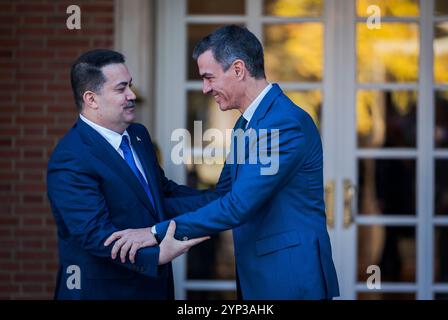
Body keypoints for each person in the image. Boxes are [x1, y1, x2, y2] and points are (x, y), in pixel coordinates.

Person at [106, 25, 340, 299]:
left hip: (289, 277)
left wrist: (155, 232)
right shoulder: (245, 125)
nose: (205, 88)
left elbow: (237, 206)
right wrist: (146, 206)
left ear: (238, 70)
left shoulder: (283, 124)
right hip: (263, 275)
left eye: (209, 77)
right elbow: (223, 196)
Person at [47, 49, 208, 300]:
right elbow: (94, 234)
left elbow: (163, 194)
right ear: (91, 99)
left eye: (130, 85)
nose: (132, 95)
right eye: (121, 89)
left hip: (153, 289)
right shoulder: (71, 157)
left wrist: (226, 198)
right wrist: (156, 255)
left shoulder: (139, 136)